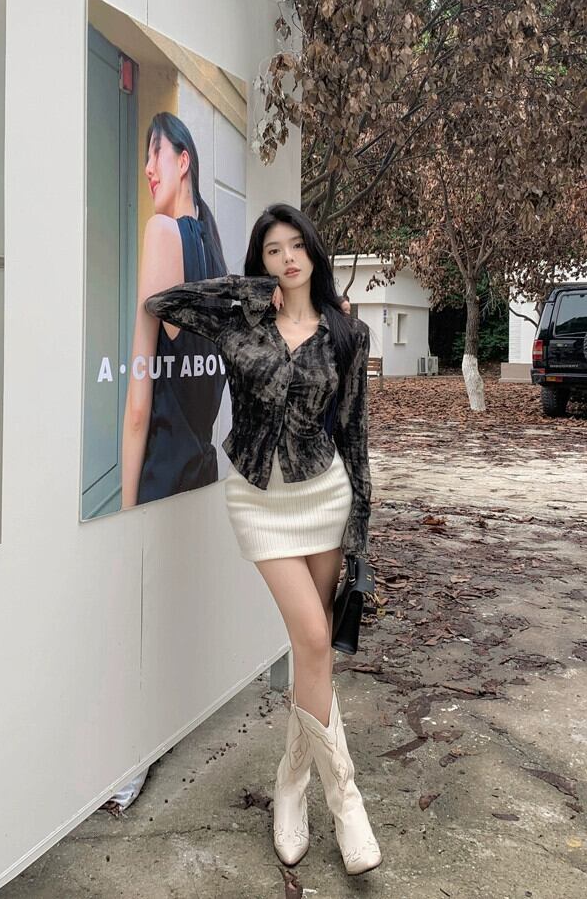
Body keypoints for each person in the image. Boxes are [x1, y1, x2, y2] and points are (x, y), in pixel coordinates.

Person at [144, 203, 382, 875]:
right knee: (312, 640)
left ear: (314, 250)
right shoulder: (239, 324)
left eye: (297, 245)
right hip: (258, 499)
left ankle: (291, 787)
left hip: (324, 497)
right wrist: (250, 290)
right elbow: (166, 301)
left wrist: (360, 532)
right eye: (273, 249)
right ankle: (347, 801)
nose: (288, 258)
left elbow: (356, 435)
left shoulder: (346, 333)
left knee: (313, 653)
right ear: (262, 261)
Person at [120, 112, 228, 507]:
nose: (147, 169)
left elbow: (138, 408)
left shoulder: (162, 233)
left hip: (161, 482)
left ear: (183, 162)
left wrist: (125, 515)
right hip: (202, 476)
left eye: (155, 153)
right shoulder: (215, 256)